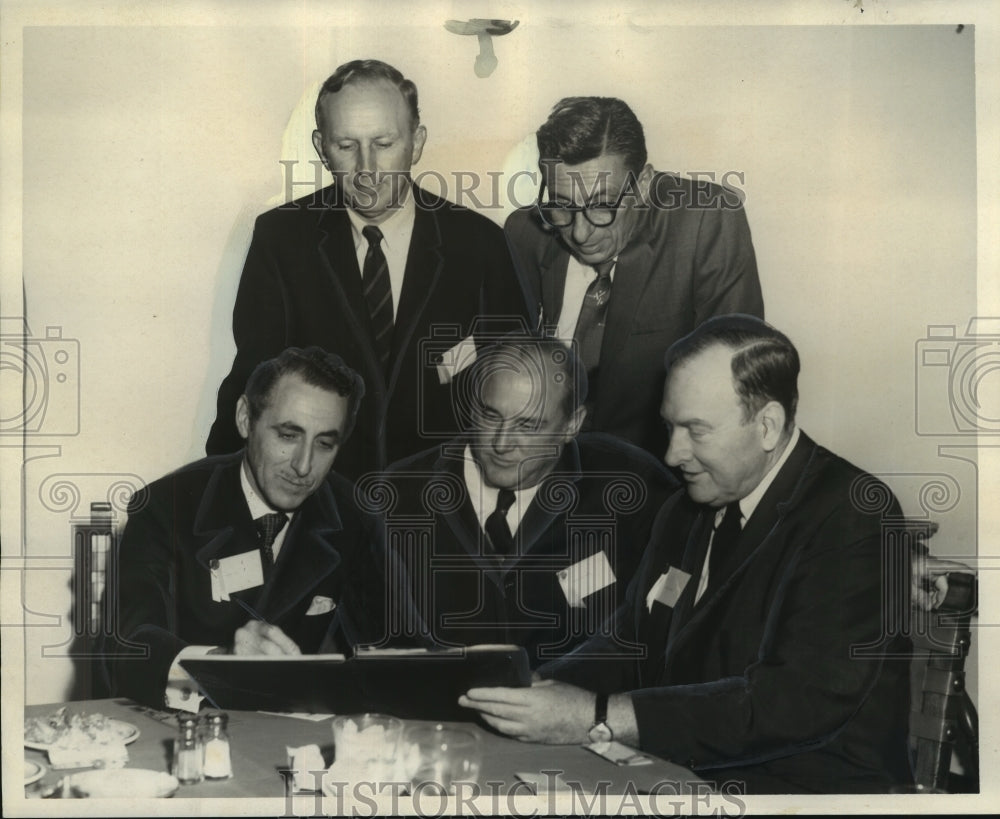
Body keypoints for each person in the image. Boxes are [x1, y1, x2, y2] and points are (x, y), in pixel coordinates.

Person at [460, 316, 913, 794]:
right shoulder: (685, 509)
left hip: (805, 792)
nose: (674, 454)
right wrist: (528, 690)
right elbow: (629, 640)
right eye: (670, 427)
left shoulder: (853, 513)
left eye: (696, 431)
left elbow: (792, 704)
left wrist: (596, 716)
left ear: (767, 426)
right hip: (678, 776)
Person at [207, 59, 528, 479]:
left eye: (383, 143)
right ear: (321, 147)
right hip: (320, 509)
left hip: (444, 509)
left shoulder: (480, 243)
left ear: (416, 142)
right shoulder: (281, 240)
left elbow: (517, 392)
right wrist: (217, 505)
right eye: (346, 146)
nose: (367, 170)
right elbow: (252, 388)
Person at [106, 347, 397, 709]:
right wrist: (220, 661)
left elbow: (396, 648)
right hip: (186, 727)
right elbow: (127, 645)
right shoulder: (166, 507)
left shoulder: (355, 515)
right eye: (288, 436)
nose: (303, 466)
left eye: (324, 443)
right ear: (245, 418)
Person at [371, 335, 677, 667]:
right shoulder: (397, 498)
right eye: (490, 416)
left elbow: (682, 582)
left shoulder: (633, 485)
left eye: (528, 426)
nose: (502, 444)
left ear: (571, 425)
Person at [505, 96, 763, 463]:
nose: (580, 233)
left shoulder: (705, 221)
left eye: (602, 205)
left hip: (656, 473)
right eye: (562, 205)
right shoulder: (525, 231)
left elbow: (736, 382)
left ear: (642, 184)